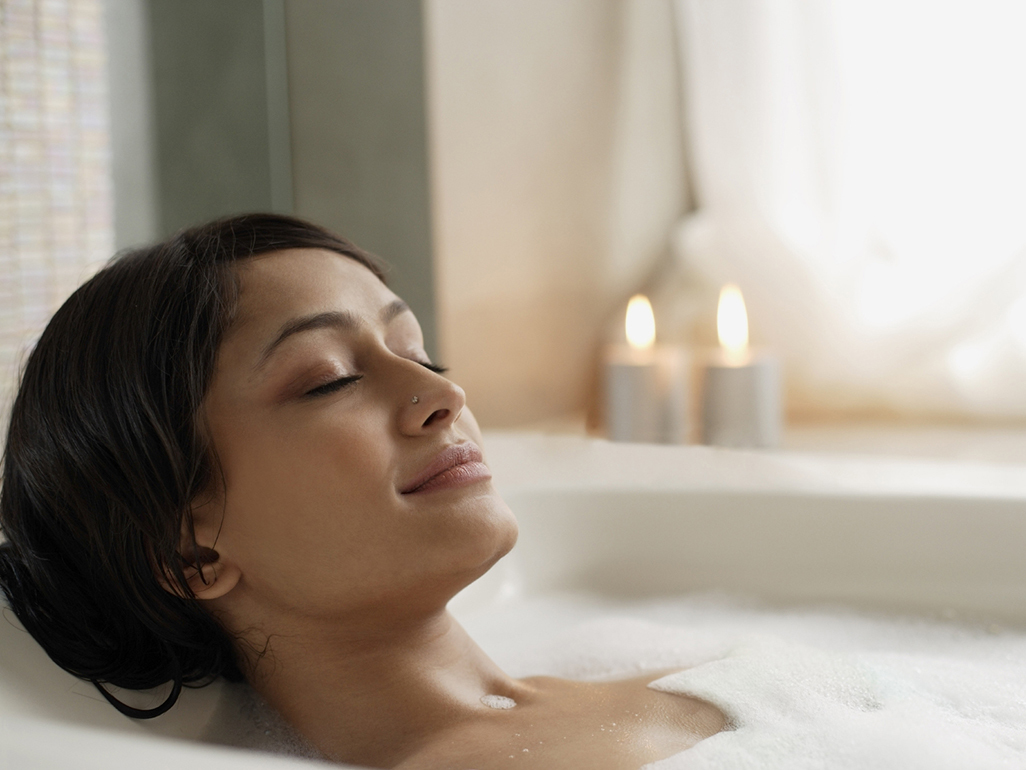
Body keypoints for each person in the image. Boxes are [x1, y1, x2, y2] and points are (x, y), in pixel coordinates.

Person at [0, 214, 723, 769]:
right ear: (191, 555)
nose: (443, 392)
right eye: (328, 379)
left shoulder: (697, 683)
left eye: (417, 352)